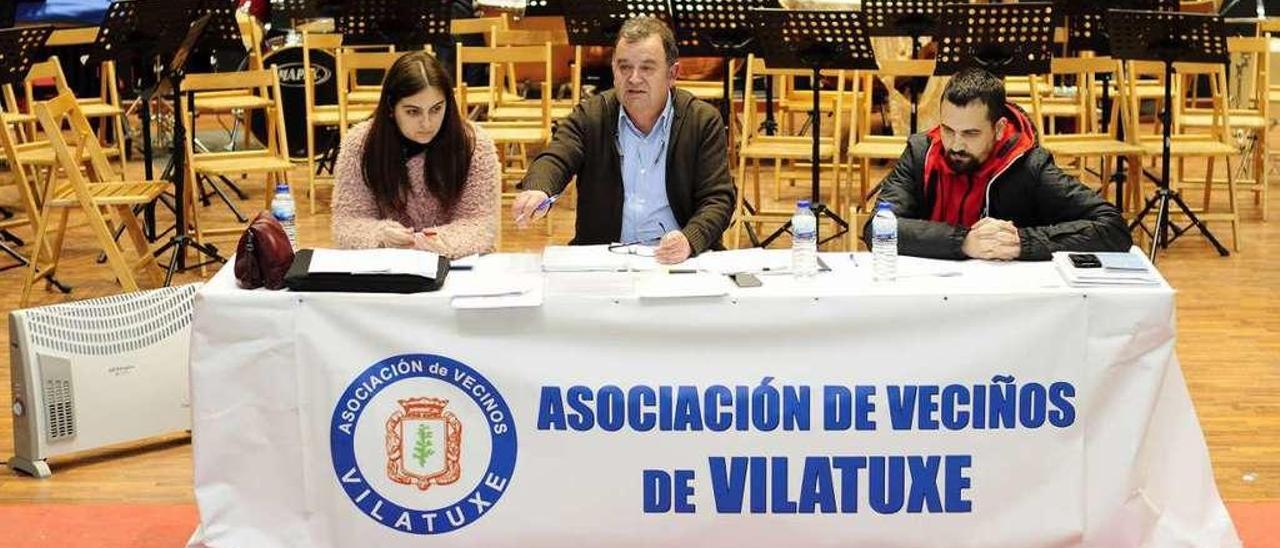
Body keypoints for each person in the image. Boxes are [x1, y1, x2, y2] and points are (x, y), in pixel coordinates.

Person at [511, 16, 735, 265]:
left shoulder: (702, 120)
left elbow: (719, 200)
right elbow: (556, 156)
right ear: (614, 71)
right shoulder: (591, 115)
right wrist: (539, 187)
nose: (634, 78)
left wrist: (690, 239)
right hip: (605, 260)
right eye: (624, 67)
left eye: (647, 67)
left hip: (680, 260)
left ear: (673, 74)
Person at [866, 67, 1133, 261]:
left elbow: (1112, 227)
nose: (956, 145)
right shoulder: (920, 153)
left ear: (998, 128)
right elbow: (877, 228)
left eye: (971, 133)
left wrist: (1021, 243)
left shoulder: (1029, 166)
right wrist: (964, 242)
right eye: (948, 130)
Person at [332, 50, 499, 258]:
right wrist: (381, 235)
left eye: (436, 109)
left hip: (458, 265)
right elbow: (347, 223)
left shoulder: (475, 145)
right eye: (413, 111)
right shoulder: (359, 144)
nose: (427, 123)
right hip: (388, 265)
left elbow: (481, 224)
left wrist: (442, 241)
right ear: (391, 108)